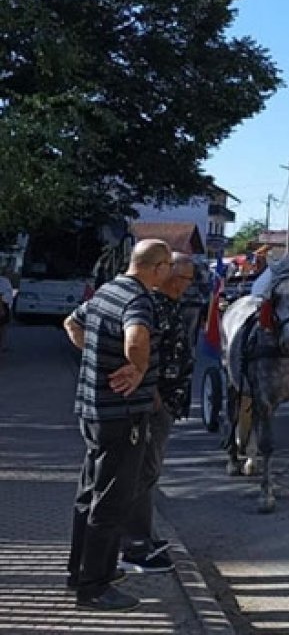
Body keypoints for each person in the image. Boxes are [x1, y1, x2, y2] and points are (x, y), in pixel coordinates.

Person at [62, 239, 171, 612]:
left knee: (87, 496)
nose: (169, 273)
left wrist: (97, 359)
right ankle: (94, 587)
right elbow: (137, 337)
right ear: (157, 267)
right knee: (110, 502)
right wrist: (136, 369)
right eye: (168, 267)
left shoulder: (108, 290)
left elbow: (72, 324)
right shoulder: (138, 301)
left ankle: (81, 572)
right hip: (123, 418)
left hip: (92, 411)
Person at [119, 253, 195, 575]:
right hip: (154, 404)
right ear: (163, 273)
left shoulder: (172, 305)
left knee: (150, 472)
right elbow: (139, 351)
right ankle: (135, 545)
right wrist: (153, 397)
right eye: (180, 278)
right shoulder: (151, 305)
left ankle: (146, 536)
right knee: (144, 472)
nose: (184, 286)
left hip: (167, 403)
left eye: (189, 280)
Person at [0, 263, 14, 352]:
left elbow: (8, 296)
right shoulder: (5, 281)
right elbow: (8, 296)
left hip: (3, 307)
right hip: (3, 307)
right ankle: (2, 345)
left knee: (3, 328)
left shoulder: (4, 281)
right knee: (3, 328)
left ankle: (2, 345)